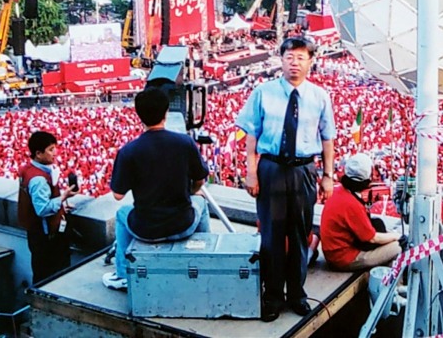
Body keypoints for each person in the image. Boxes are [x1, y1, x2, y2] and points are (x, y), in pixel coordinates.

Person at [236, 37, 336, 322]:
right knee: (271, 236)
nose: (294, 63)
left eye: (301, 58)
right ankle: (272, 296)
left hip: (304, 170)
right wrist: (251, 171)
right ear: (280, 60)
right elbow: (251, 134)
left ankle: (297, 294)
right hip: (271, 169)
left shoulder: (320, 96)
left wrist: (328, 176)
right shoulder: (263, 93)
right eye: (289, 57)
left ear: (311, 61)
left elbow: (327, 138)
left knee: (300, 235)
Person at [102, 87, 210, 291]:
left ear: (138, 115)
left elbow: (117, 195)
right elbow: (200, 179)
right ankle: (207, 261)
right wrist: (192, 191)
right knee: (201, 202)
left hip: (146, 229)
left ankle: (123, 274)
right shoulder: (184, 142)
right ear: (166, 111)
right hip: (182, 225)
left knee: (121, 214)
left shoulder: (128, 151)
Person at [320, 153, 402, 271]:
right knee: (399, 247)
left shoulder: (339, 191)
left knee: (379, 225)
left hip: (335, 252)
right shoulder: (352, 204)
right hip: (343, 258)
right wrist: (397, 236)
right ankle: (390, 286)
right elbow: (373, 238)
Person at [18, 131, 78, 284]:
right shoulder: (38, 179)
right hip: (46, 237)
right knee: (52, 275)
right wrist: (63, 196)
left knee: (42, 272)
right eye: (51, 149)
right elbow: (42, 209)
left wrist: (60, 207)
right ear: (38, 153)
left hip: (38, 234)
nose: (55, 153)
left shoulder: (29, 169)